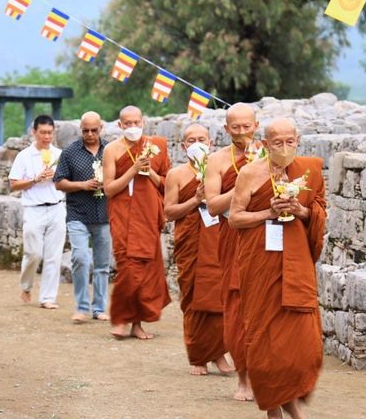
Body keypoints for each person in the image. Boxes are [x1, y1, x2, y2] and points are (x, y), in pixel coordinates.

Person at [229, 118, 325, 419]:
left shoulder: (309, 170)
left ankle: (291, 400)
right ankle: (277, 412)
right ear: (265, 143)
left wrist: (302, 211)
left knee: (306, 348)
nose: (284, 148)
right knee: (265, 343)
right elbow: (234, 218)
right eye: (277, 143)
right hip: (261, 263)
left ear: (298, 140)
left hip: (297, 264)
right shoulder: (250, 173)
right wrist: (267, 213)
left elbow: (320, 213)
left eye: (290, 142)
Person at [203, 102, 261, 401]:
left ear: (256, 125)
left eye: (246, 127)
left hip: (265, 236)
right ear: (226, 129)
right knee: (237, 308)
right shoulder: (217, 160)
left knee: (266, 308)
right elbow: (212, 205)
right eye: (235, 128)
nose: (241, 133)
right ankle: (243, 379)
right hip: (233, 238)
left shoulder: (270, 155)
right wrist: (244, 179)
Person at [163, 123, 232, 375]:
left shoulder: (221, 171)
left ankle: (219, 353)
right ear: (183, 146)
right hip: (190, 242)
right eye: (191, 140)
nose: (197, 143)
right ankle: (198, 356)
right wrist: (195, 199)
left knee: (219, 296)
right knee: (193, 298)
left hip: (217, 239)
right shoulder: (176, 175)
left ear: (211, 142)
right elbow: (169, 213)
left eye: (201, 139)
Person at [103, 105, 171, 339]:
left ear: (144, 122)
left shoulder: (156, 147)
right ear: (120, 125)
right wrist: (133, 169)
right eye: (127, 124)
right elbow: (109, 189)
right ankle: (120, 319)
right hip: (123, 215)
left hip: (147, 215)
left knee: (147, 272)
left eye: (136, 123)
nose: (132, 127)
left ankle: (137, 324)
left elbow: (166, 183)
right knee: (129, 269)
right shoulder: (112, 150)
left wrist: (149, 171)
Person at [53, 111, 113, 324]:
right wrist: (82, 185)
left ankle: (99, 307)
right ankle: (81, 306)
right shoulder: (69, 152)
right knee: (79, 258)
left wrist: (108, 185)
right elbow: (59, 182)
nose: (89, 134)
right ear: (81, 129)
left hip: (105, 213)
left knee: (103, 265)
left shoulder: (111, 150)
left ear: (101, 128)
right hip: (78, 213)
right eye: (85, 130)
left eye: (93, 130)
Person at [8, 115, 66, 309]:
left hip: (57, 207)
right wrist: (35, 179)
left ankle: (48, 297)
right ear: (34, 132)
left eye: (50, 132)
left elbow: (66, 181)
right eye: (43, 132)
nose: (47, 136)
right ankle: (26, 285)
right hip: (34, 209)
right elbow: (14, 184)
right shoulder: (24, 156)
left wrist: (57, 177)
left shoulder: (60, 154)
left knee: (54, 255)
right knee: (33, 253)